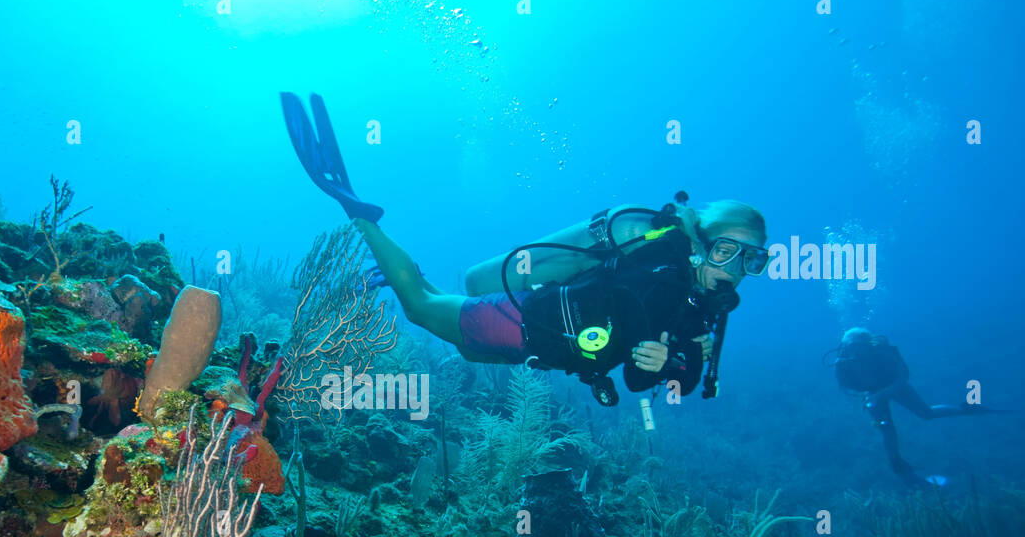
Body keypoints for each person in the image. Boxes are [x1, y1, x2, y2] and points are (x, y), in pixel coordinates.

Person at [281, 93, 767, 407]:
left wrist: (681, 349)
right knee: (421, 308)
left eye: (752, 260)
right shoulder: (667, 272)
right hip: (527, 326)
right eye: (729, 250)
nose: (737, 269)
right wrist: (666, 353)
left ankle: (389, 258)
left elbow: (673, 371)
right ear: (703, 243)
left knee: (438, 307)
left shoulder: (686, 285)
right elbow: (641, 375)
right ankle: (361, 219)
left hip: (537, 336)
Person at [830, 327, 984, 486]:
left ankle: (966, 409)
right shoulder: (842, 363)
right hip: (872, 393)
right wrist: (865, 396)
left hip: (894, 385)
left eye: (858, 345)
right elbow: (845, 387)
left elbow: (903, 377)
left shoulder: (883, 353)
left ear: (867, 344)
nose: (854, 349)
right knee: (887, 429)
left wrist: (881, 394)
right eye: (849, 346)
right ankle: (897, 464)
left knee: (926, 413)